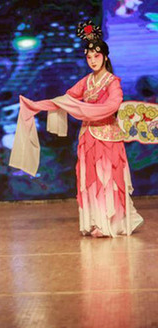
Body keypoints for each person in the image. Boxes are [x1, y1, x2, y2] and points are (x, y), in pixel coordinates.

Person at [10, 21, 144, 237]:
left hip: (107, 137)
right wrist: (36, 106)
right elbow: (63, 101)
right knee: (89, 179)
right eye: (89, 57)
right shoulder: (86, 81)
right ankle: (94, 221)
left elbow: (113, 106)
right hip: (88, 138)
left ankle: (111, 223)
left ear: (105, 57)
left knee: (107, 179)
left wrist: (85, 110)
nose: (92, 61)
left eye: (96, 56)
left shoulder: (112, 82)